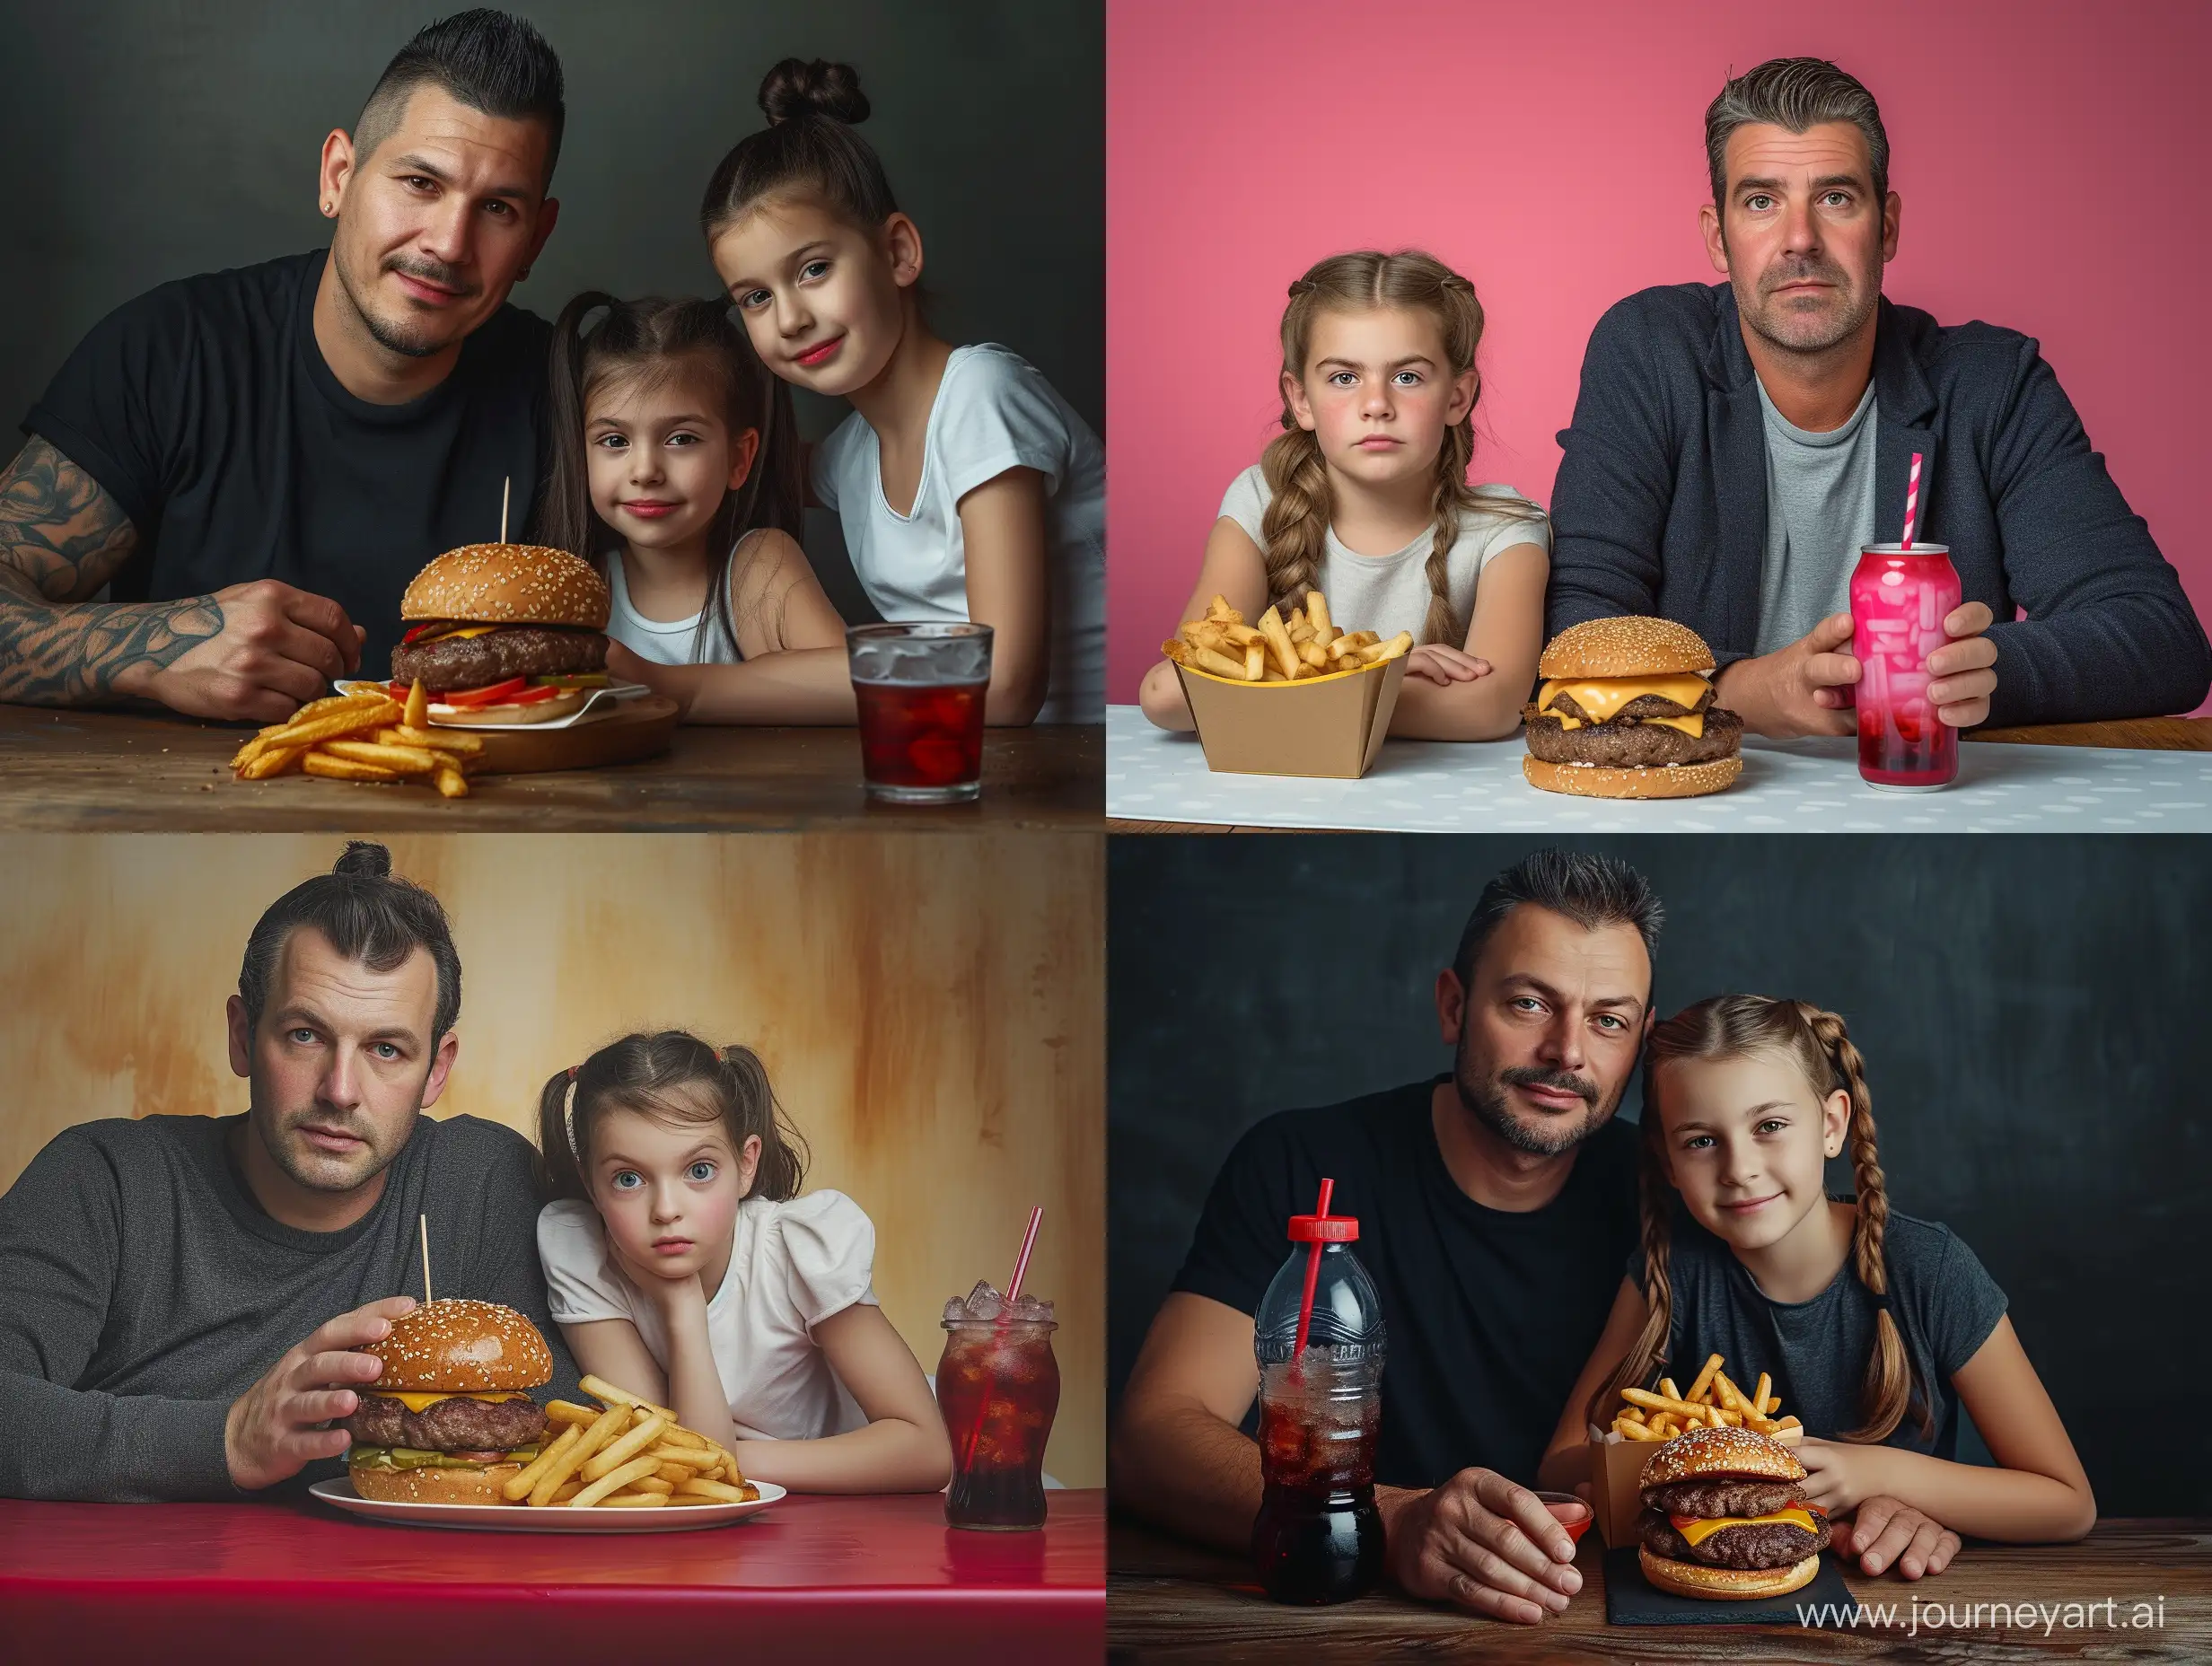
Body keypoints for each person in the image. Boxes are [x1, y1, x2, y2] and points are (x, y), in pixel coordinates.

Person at [1110, 850, 1966, 1626]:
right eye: (1528, 1003)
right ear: (1454, 1006)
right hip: (1333, 1617)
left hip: (1607, 1624)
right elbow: (1153, 1439)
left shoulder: (1692, 1195)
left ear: (1643, 1041)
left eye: (1608, 1020)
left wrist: (1900, 1499)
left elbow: (1781, 1438)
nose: (1566, 1053)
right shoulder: (1302, 1162)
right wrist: (1391, 1518)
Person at [1547, 57, 2210, 736]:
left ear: (1886, 227)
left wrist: (1981, 671)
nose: (1800, 239)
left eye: (1835, 198)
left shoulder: (1991, 385)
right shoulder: (1652, 354)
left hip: (1930, 809)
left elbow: (2161, 637)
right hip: (1707, 805)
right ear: (1719, 239)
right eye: (1761, 201)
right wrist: (1747, 690)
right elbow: (1577, 633)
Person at [0, 10, 566, 721]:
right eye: (420, 183)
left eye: (497, 209)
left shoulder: (572, 395)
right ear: (338, 175)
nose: (450, 244)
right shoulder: (171, 353)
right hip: (177, 819)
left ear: (536, 240)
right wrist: (154, 645)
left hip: (488, 824)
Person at [0, 841, 576, 1502]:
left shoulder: (481, 1184)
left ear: (437, 1070)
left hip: (399, 1592)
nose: (339, 1090)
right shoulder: (106, 1181)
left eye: (386, 1049)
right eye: (305, 1035)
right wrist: (228, 1439)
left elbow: (566, 1426)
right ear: (244, 1035)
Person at [1541, 995, 2094, 1547]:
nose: (1739, 1169)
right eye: (1702, 1141)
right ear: (1670, 1163)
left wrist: (1880, 1476)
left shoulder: (1930, 1269)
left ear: (1832, 1125)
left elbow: (2066, 1504)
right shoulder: (1670, 1271)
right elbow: (1561, 1468)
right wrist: (1714, 1469)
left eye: (1771, 1125)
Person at [700, 57, 1106, 725]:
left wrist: (694, 689)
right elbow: (737, 466)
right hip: (982, 769)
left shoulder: (981, 395)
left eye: (814, 269)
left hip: (1098, 764)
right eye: (755, 297)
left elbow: (1003, 687)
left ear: (897, 253)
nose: (790, 319)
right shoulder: (851, 458)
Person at [1137, 250, 1549, 741]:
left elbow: (1489, 709)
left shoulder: (1508, 529)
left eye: (1407, 377)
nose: (1376, 405)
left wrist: (1275, 694)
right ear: (1301, 399)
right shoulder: (1258, 501)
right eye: (1344, 378)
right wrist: (1377, 672)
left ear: (1457, 397)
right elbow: (1167, 693)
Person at [533, 1030, 952, 1494]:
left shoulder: (794, 1251)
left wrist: (728, 1454)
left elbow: (926, 1451)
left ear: (746, 1164)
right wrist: (683, 1308)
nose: (666, 1209)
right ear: (591, 1187)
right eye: (628, 1178)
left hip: (862, 1509)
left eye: (699, 1171)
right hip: (739, 1522)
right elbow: (666, 1460)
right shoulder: (580, 1251)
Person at [541, 293, 857, 722]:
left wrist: (662, 682)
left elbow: (863, 685)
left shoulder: (757, 570)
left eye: (681, 439)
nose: (646, 471)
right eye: (615, 441)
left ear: (738, 459)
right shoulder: (583, 587)